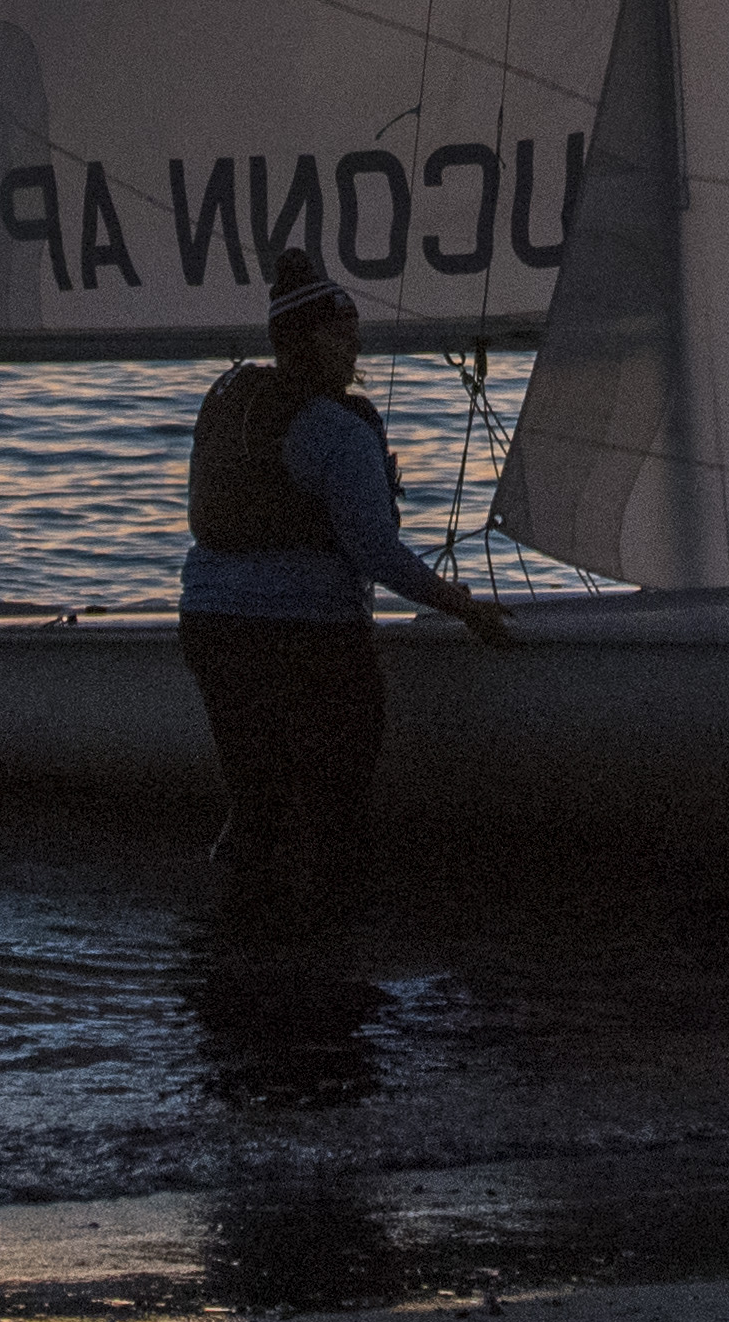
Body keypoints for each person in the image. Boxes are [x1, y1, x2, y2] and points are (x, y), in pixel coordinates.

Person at [174, 245, 513, 935]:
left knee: (255, 801)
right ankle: (327, 945)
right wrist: (464, 605)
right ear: (305, 339)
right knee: (335, 805)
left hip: (209, 625)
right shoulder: (338, 431)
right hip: (305, 638)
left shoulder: (229, 403)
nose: (354, 345)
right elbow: (376, 553)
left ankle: (234, 939)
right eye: (340, 332)